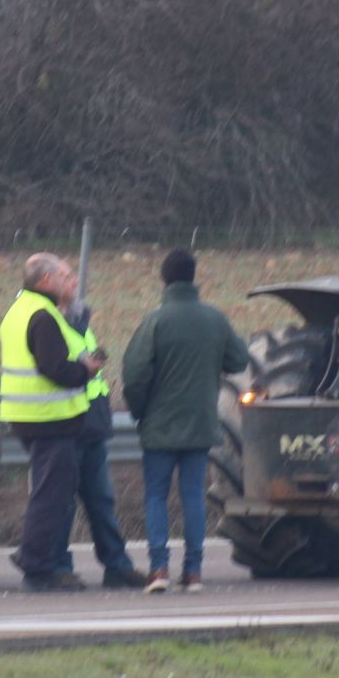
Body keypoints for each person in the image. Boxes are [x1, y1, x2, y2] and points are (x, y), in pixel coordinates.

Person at [121, 249, 250, 594]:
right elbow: (239, 361)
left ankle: (159, 569)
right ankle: (193, 573)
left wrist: (139, 411)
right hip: (199, 424)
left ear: (164, 279)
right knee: (193, 496)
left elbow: (133, 375)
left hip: (159, 426)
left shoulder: (155, 321)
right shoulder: (214, 320)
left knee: (156, 497)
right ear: (194, 277)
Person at [0, 252, 106, 592]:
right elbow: (55, 369)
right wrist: (85, 371)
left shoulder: (18, 310)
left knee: (49, 491)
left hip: (27, 417)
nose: (70, 280)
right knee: (52, 496)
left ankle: (36, 559)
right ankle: (36, 562)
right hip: (49, 419)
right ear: (46, 281)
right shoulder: (43, 316)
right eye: (64, 275)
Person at [57, 301, 150, 590]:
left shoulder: (80, 323)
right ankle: (59, 567)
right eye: (66, 279)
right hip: (67, 423)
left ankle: (117, 566)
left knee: (102, 501)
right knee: (61, 504)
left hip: (91, 423)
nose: (73, 285)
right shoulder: (51, 322)